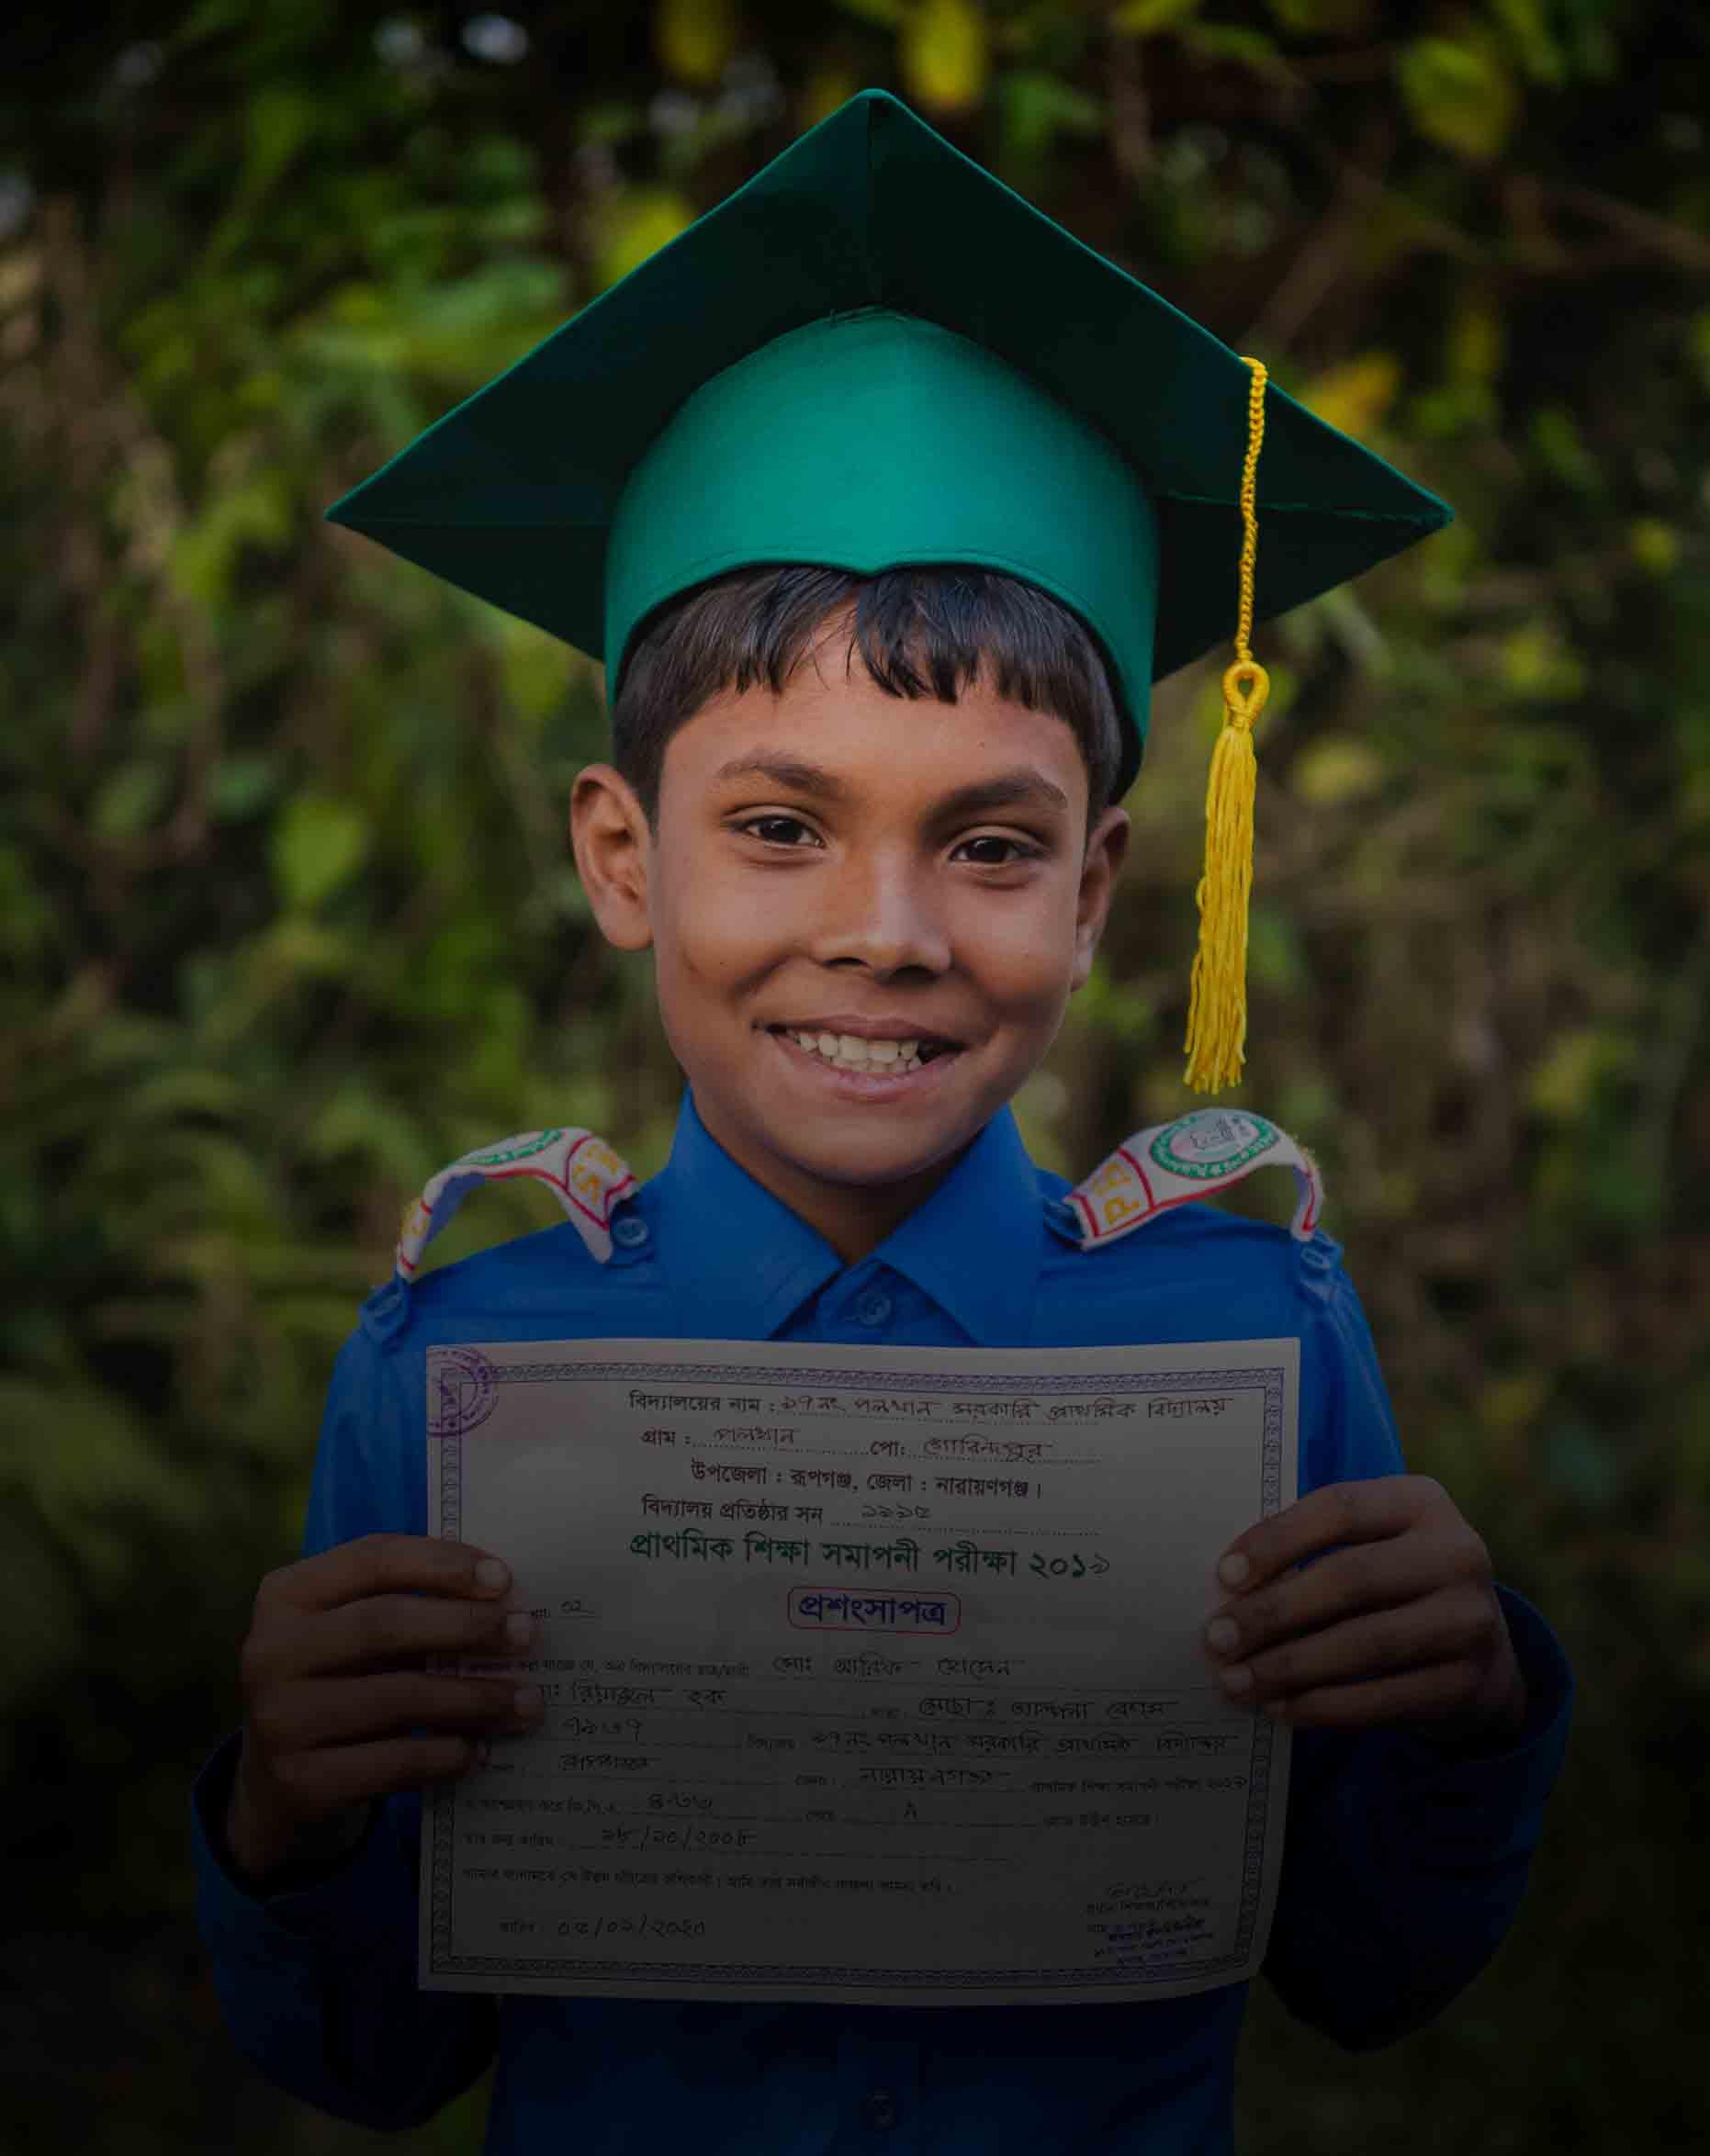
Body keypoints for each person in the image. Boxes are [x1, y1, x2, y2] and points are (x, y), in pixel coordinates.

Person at [189, 88, 1573, 2154]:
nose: (888, 934)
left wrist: (1466, 1707)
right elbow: (375, 2065)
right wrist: (283, 1809)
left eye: (991, 846)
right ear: (621, 855)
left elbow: (1370, 1976)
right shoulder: (461, 1366)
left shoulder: (1252, 1342)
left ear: (1094, 891)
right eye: (776, 828)